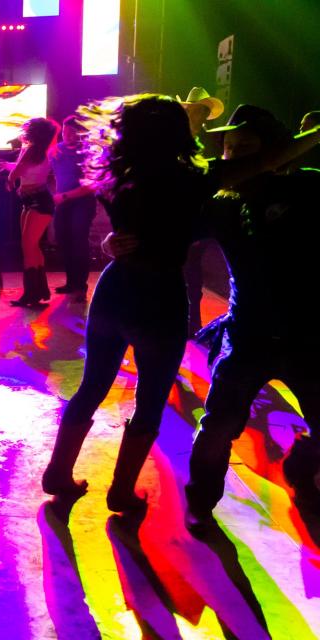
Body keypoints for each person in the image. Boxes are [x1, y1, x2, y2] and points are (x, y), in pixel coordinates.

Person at [40, 94, 320, 515]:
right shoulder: (196, 179)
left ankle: (57, 474)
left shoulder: (115, 174)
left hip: (115, 289)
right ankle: (121, 492)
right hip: (160, 297)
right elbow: (272, 158)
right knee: (150, 400)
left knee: (91, 387)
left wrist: (109, 241)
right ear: (178, 135)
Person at [178, 105, 320, 534]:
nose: (235, 157)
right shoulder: (220, 204)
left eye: (246, 148)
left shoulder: (307, 186)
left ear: (274, 153)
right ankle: (201, 501)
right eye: (229, 149)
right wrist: (119, 241)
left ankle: (301, 463)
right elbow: (166, 230)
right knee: (218, 426)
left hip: (309, 334)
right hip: (248, 333)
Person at [179, 87, 227, 334]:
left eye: (204, 111)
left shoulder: (210, 141)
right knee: (180, 267)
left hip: (199, 213)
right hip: (179, 211)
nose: (200, 115)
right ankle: (183, 319)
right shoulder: (177, 138)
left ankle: (192, 321)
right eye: (199, 110)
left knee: (191, 267)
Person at [0, 117, 60, 308]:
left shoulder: (32, 150)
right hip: (36, 200)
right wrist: (8, 168)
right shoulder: (38, 151)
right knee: (32, 246)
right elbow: (24, 169)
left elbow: (17, 172)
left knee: (29, 246)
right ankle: (39, 290)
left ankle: (32, 293)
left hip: (37, 202)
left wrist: (9, 180)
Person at [50, 115, 96, 302]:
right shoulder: (56, 151)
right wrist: (13, 166)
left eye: (71, 132)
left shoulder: (87, 152)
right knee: (64, 240)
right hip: (63, 204)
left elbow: (90, 185)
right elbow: (40, 166)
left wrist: (65, 196)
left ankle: (80, 286)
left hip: (82, 204)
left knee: (79, 242)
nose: (66, 135)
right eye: (64, 131)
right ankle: (71, 282)